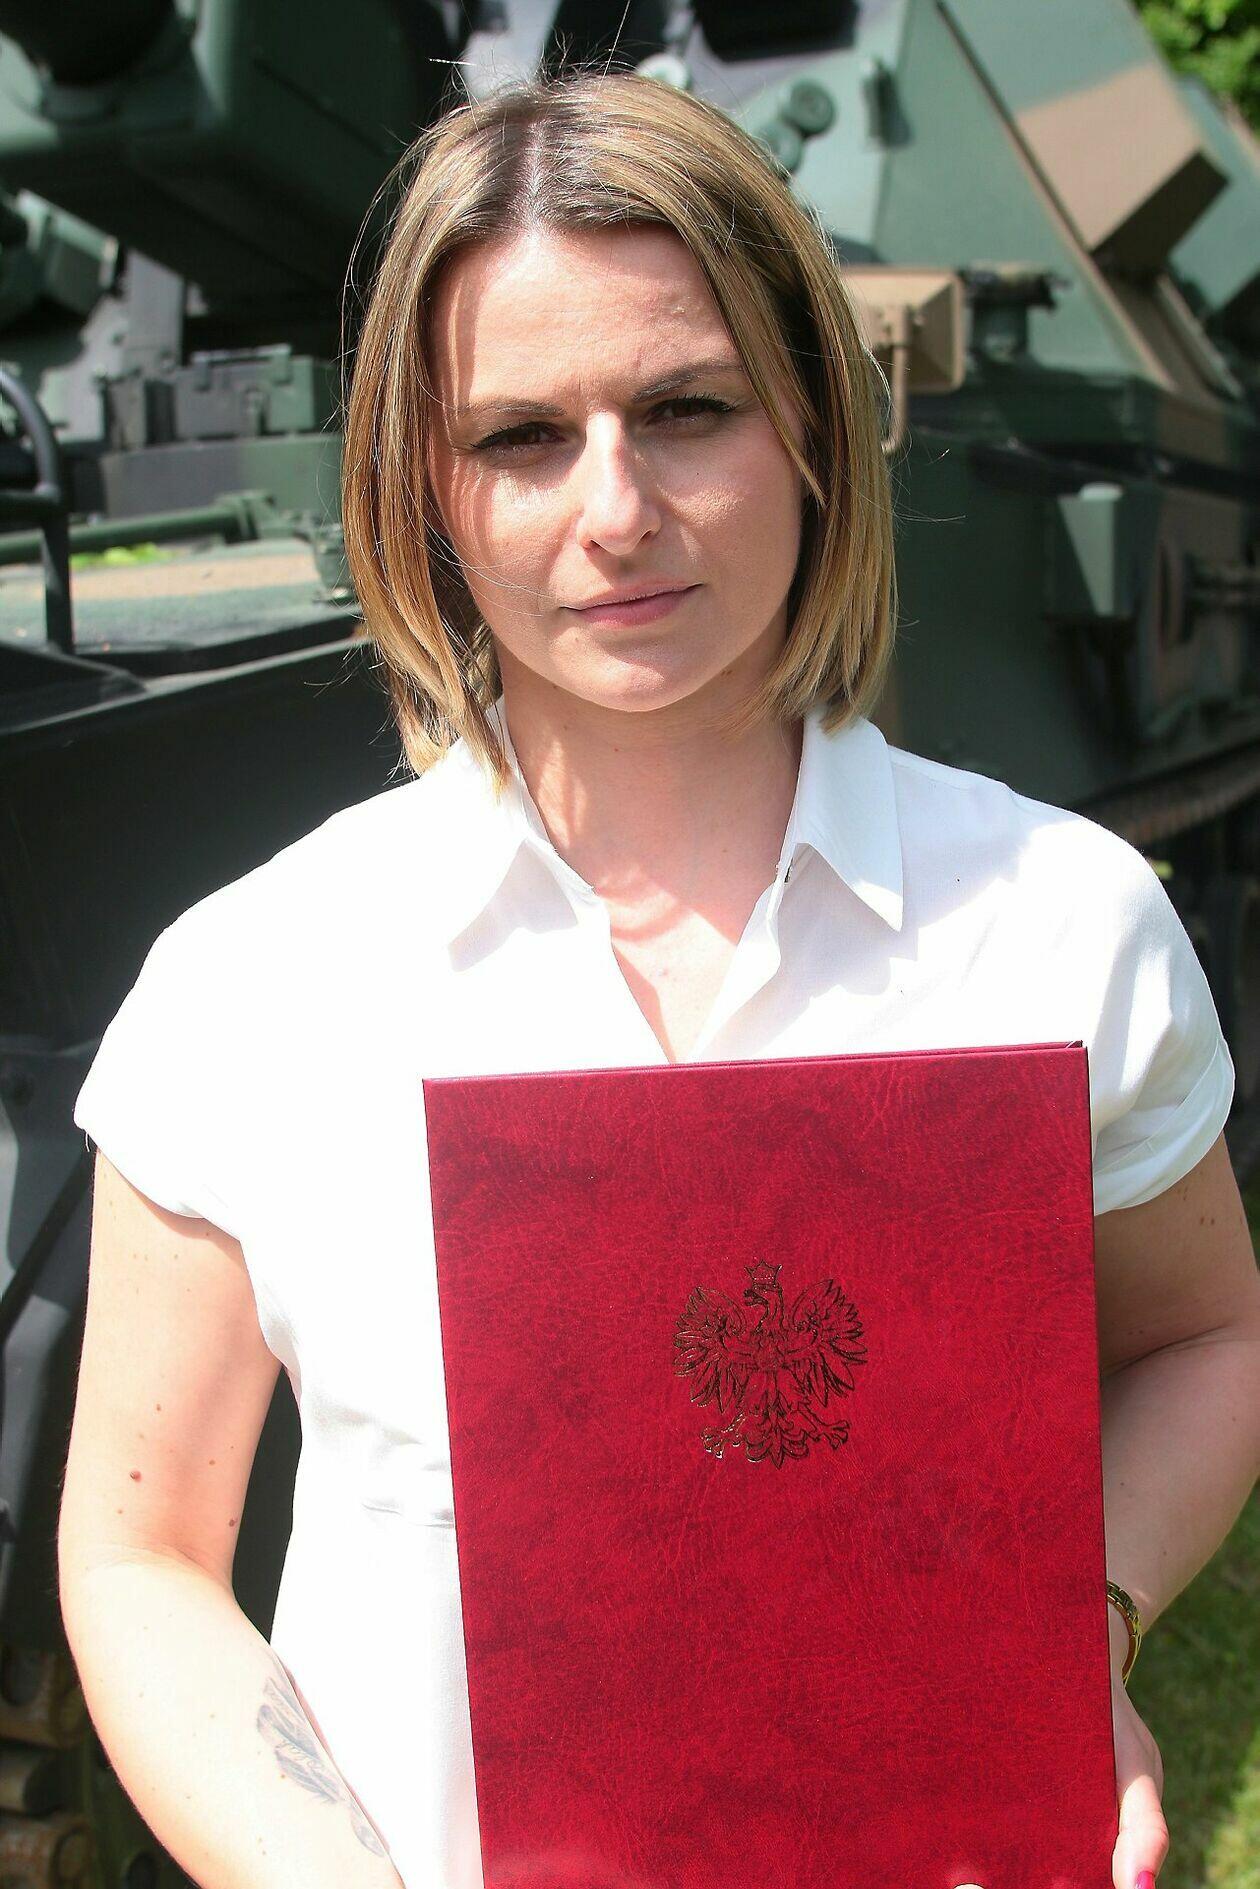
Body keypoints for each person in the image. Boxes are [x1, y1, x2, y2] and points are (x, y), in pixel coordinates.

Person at [59, 68, 1259, 1889]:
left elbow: (1204, 1337)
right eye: (521, 436)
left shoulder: (1057, 922)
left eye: (688, 408)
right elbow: (138, 1549)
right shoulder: (253, 983)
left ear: (813, 426)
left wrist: (1067, 1634)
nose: (615, 510)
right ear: (426, 487)